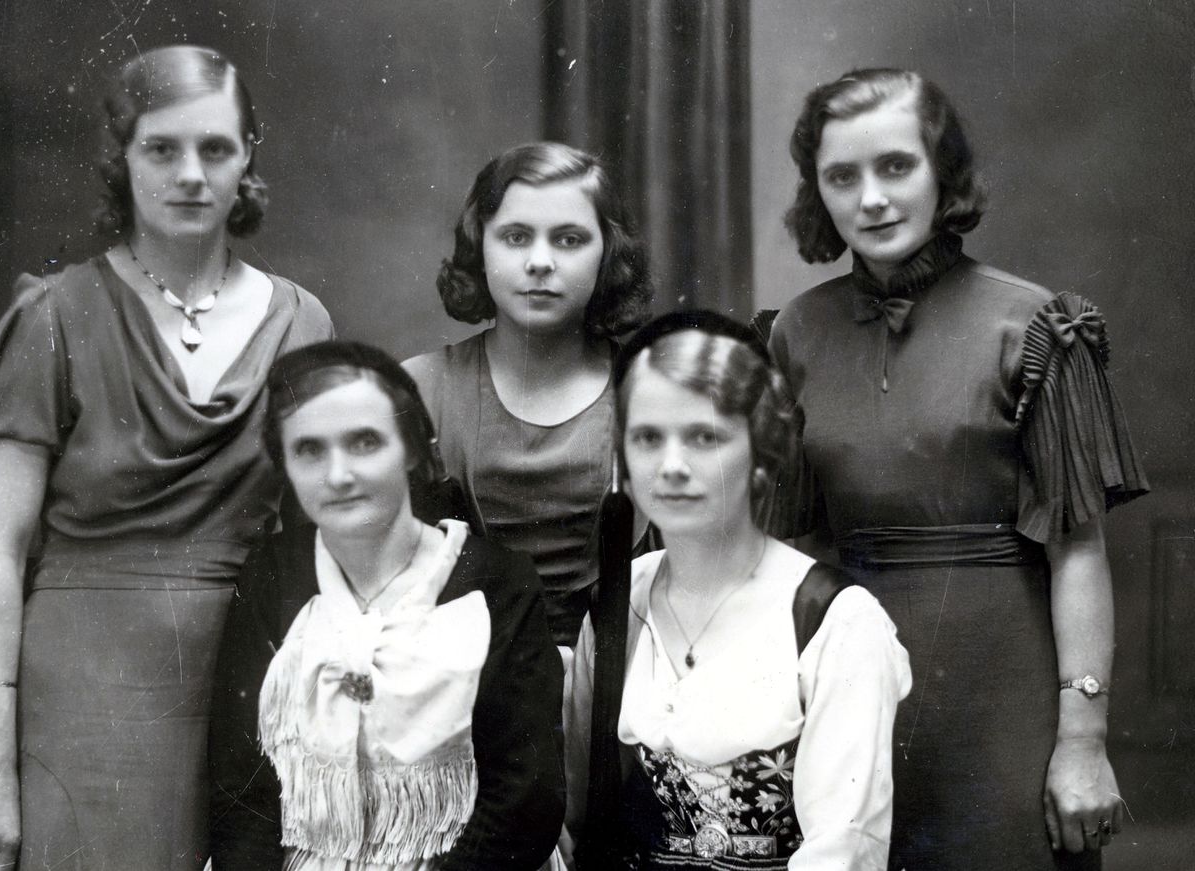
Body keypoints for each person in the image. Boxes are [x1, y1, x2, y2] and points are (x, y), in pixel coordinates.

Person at [0, 45, 333, 870]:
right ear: (121, 157)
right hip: (85, 695)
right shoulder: (55, 315)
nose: (190, 174)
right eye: (162, 148)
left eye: (215, 148)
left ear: (247, 157)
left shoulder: (302, 323)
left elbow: (325, 537)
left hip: (250, 685)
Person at [766, 68, 1148, 870]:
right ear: (818, 192)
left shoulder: (1034, 325)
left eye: (896, 166)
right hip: (848, 687)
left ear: (943, 172)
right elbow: (787, 548)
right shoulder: (797, 331)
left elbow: (1078, 547)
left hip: (1003, 694)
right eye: (843, 176)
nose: (872, 198)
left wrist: (1082, 741)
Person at [563, 311, 912, 869]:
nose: (672, 467)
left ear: (761, 452)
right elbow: (577, 819)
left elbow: (845, 850)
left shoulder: (833, 621)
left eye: (704, 437)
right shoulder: (619, 606)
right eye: (648, 437)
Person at [207, 341, 564, 870]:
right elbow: (241, 791)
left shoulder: (497, 583)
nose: (338, 475)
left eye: (365, 442)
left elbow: (524, 802)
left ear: (412, 449)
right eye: (309, 450)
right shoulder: (271, 574)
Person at [403, 141, 653, 651]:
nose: (540, 262)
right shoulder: (421, 388)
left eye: (569, 239)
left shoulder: (648, 388)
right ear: (480, 246)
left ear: (607, 253)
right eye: (516, 237)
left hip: (626, 668)